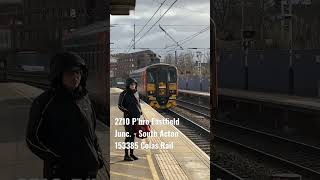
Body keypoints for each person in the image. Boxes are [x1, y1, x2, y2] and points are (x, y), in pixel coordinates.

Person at [26, 52, 104, 179]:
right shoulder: (45, 102)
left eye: (78, 73)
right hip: (61, 173)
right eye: (70, 73)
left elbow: (91, 133)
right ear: (59, 75)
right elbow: (32, 138)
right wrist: (56, 160)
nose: (75, 77)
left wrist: (98, 155)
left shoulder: (85, 99)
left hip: (87, 171)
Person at [118, 78, 142, 161]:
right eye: (132, 84)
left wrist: (140, 111)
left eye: (134, 84)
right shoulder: (124, 94)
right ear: (128, 85)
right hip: (128, 118)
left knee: (133, 136)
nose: (133, 86)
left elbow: (138, 103)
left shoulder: (136, 93)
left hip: (136, 118)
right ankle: (126, 155)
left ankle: (131, 154)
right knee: (128, 136)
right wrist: (127, 112)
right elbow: (120, 105)